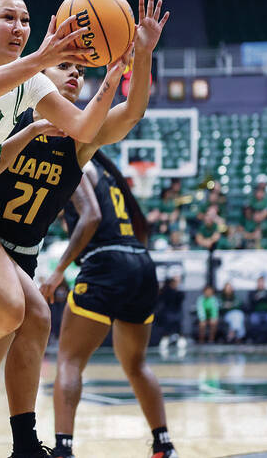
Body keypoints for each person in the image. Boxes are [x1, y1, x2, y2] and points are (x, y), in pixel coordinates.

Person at [0, 0, 167, 457]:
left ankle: (2, 443)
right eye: (63, 67)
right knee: (14, 330)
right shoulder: (6, 99)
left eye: (77, 70)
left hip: (5, 248)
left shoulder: (63, 124)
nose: (72, 75)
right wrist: (35, 77)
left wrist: (133, 64)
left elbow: (121, 117)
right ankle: (17, 440)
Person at [45, 151, 177, 458]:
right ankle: (164, 445)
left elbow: (91, 217)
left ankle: (63, 449)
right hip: (141, 264)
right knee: (136, 364)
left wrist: (58, 270)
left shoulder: (75, 164)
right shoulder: (108, 173)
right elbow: (140, 227)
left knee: (69, 360)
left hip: (105, 262)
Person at [248, 275, 267, 343]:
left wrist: (261, 297)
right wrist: (258, 298)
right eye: (259, 282)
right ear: (257, 283)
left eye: (262, 282)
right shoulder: (252, 293)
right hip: (256, 313)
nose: (261, 284)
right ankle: (257, 338)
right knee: (254, 321)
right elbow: (251, 302)